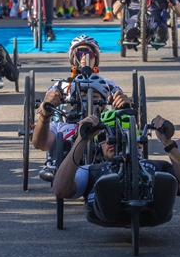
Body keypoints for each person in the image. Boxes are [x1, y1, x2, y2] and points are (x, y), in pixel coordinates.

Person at [53, 111, 180, 227]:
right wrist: (82, 138)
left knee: (164, 178)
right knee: (106, 180)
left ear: (139, 144)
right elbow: (60, 190)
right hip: (106, 212)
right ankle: (112, 190)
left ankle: (149, 191)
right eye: (105, 136)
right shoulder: (92, 170)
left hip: (154, 212)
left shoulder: (157, 166)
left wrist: (167, 143)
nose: (114, 140)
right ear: (99, 146)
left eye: (127, 135)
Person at [31, 35, 129, 181]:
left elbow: (125, 108)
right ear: (73, 58)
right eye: (79, 53)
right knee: (57, 137)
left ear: (95, 57)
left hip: (101, 123)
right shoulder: (60, 85)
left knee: (121, 133)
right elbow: (40, 143)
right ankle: (58, 161)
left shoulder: (108, 84)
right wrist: (45, 110)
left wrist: (123, 102)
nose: (84, 57)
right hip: (68, 124)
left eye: (88, 53)